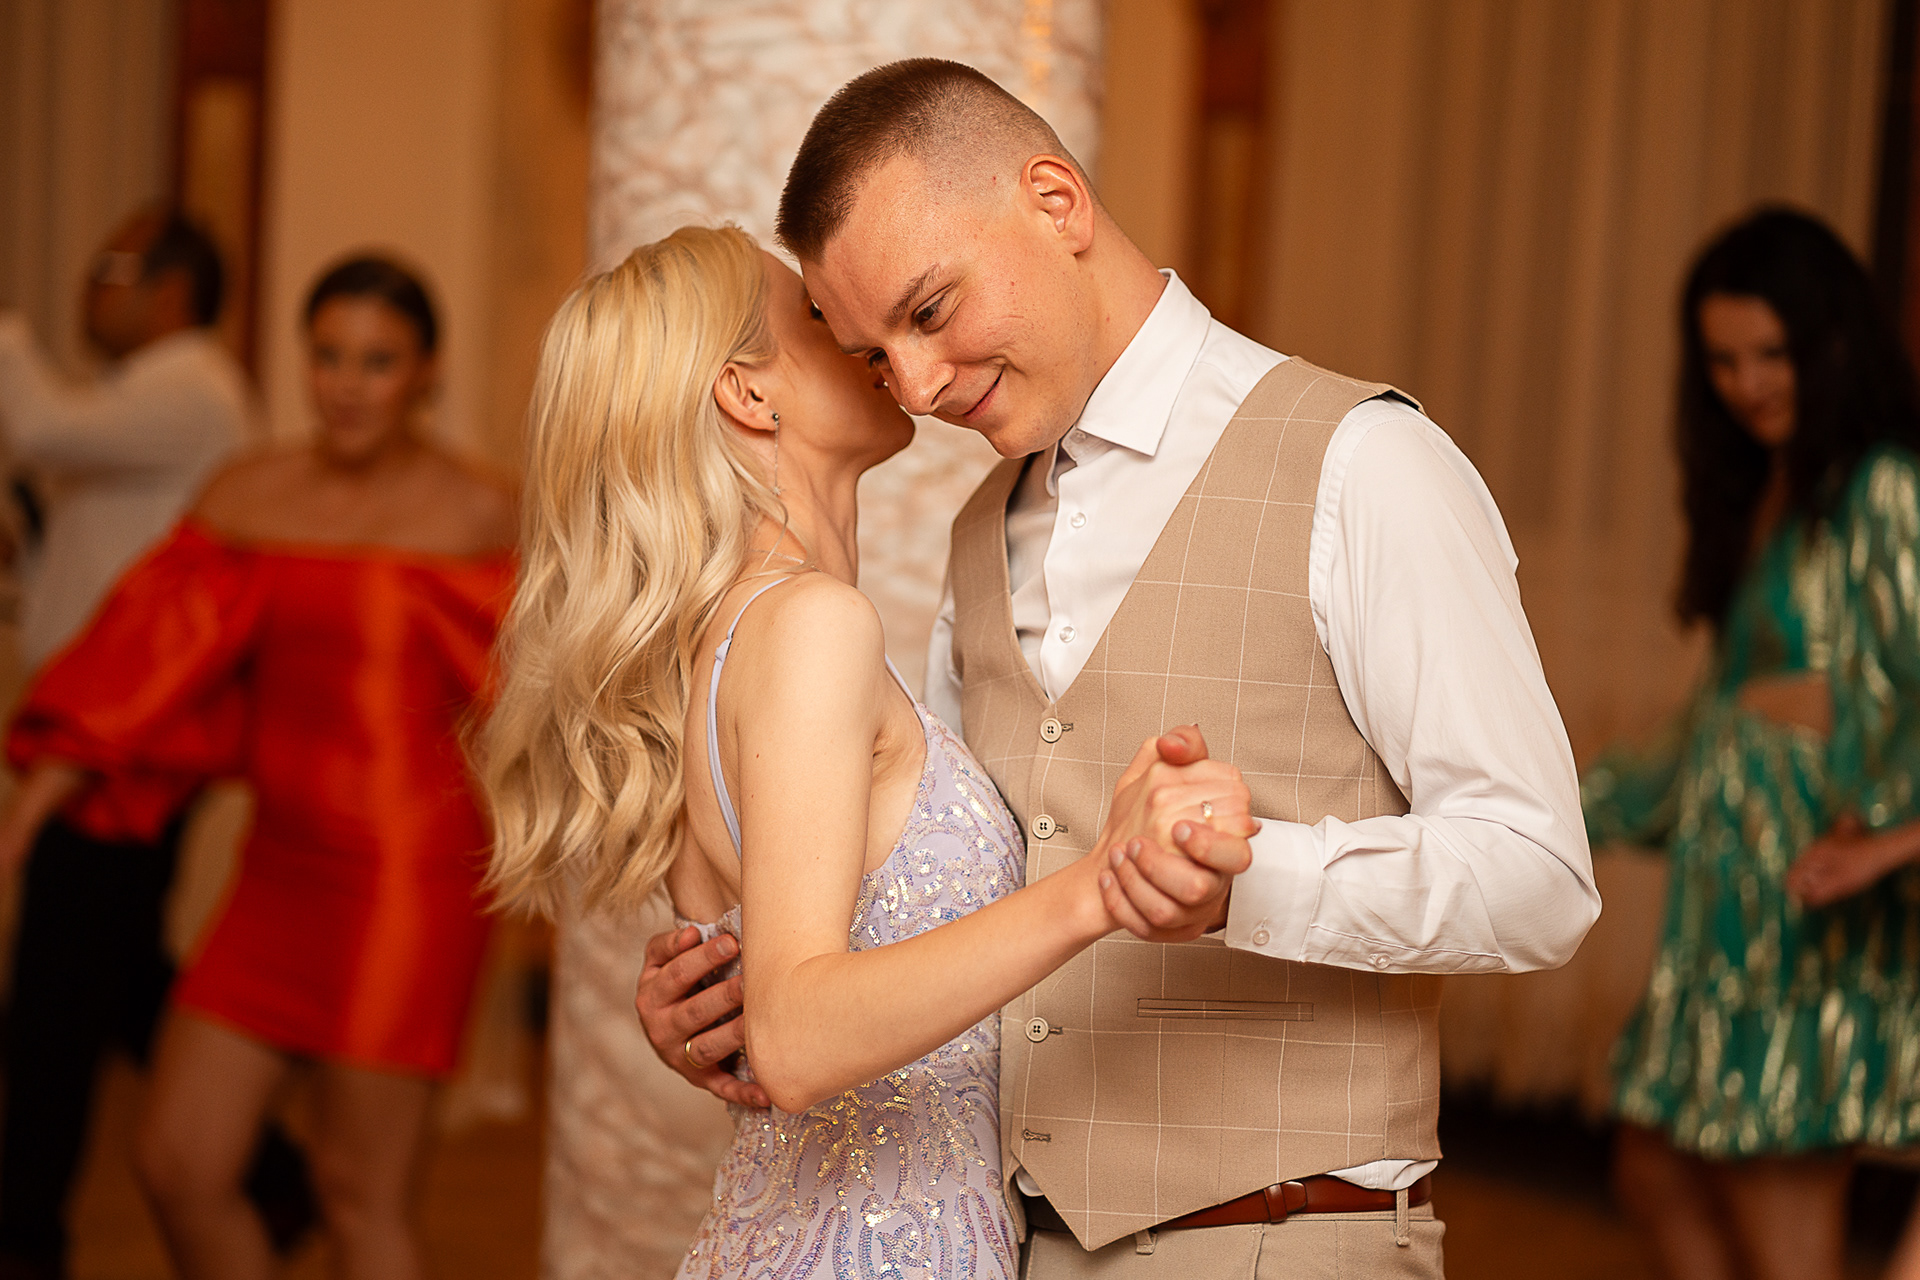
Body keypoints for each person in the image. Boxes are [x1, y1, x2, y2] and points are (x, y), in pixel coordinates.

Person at [637, 59, 1598, 1277]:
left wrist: (1248, 881)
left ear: (1057, 201)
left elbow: (1540, 875)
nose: (918, 388)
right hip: (1006, 1243)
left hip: (1276, 1241)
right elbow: (940, 894)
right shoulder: (980, 532)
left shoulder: (1365, 464)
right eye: (877, 356)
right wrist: (734, 1003)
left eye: (931, 310)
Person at [480, 223, 1257, 1279]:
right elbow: (797, 1039)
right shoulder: (811, 625)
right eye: (814, 314)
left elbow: (773, 1006)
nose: (858, 332)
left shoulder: (722, 644)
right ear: (748, 394)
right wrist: (1099, 886)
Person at [1, 255, 515, 1280]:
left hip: (405, 883)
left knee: (357, 1189)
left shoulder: (480, 510)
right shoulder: (249, 492)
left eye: (378, 361)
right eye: (328, 356)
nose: (347, 385)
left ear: (426, 372)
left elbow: (565, 688)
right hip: (275, 869)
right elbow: (132, 668)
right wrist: (21, 826)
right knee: (178, 1159)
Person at [1580, 208, 1920, 1280]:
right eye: (1722, 360)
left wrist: (1887, 836)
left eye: (1771, 353)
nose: (1747, 383)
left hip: (1810, 905)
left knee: (1778, 1204)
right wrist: (1560, 805)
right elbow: (1712, 715)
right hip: (1731, 901)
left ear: (1832, 341)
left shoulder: (1884, 487)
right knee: (1654, 1165)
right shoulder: (1775, 486)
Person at [0, 207, 300, 1280]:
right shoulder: (144, 396)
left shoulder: (193, 385)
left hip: (132, 741)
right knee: (115, 979)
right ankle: (276, 1177)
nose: (93, 282)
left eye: (114, 265)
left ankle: (25, 1234)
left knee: (54, 996)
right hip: (96, 727)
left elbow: (35, 424)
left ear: (171, 291)